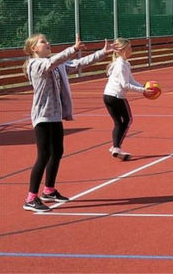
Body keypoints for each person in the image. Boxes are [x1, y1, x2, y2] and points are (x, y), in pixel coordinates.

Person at [22, 34, 116, 212]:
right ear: (34, 48)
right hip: (42, 116)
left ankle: (48, 190)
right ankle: (31, 198)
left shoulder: (56, 66)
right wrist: (73, 49)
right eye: (43, 42)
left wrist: (102, 53)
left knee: (57, 152)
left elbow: (77, 64)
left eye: (47, 40)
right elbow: (53, 61)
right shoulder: (36, 65)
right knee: (43, 155)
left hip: (55, 115)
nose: (48, 43)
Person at [103, 38, 156, 161]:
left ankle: (116, 146)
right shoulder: (120, 64)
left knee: (118, 122)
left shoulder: (124, 63)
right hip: (116, 96)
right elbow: (125, 85)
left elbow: (131, 80)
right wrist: (143, 91)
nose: (131, 50)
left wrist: (142, 87)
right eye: (129, 48)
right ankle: (116, 147)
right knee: (128, 120)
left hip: (107, 95)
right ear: (122, 50)